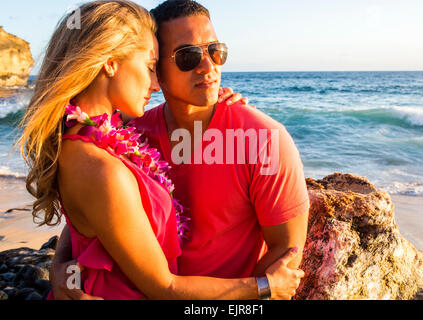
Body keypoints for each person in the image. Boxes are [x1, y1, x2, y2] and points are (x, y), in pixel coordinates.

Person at [18, 0, 303, 300]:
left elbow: (287, 255)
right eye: (187, 57)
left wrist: (62, 265)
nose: (209, 67)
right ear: (158, 68)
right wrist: (61, 267)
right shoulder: (132, 138)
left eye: (216, 51)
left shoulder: (262, 138)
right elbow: (98, 212)